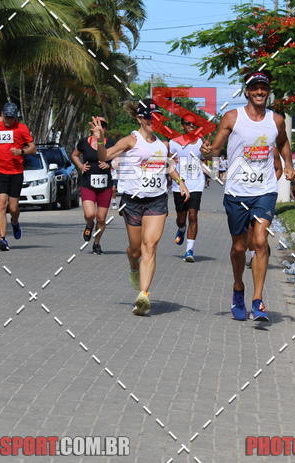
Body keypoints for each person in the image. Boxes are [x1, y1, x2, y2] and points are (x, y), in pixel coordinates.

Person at [202, 70, 295, 324]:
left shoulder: (276, 120)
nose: (259, 92)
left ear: (268, 91)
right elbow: (216, 148)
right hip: (236, 191)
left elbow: (284, 142)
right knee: (239, 247)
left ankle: (258, 299)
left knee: (261, 240)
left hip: (264, 190)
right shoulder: (232, 117)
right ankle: (238, 288)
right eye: (255, 88)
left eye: (264, 87)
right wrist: (207, 150)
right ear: (247, 92)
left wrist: (288, 164)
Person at [91, 99, 190, 316]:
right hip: (132, 201)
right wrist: (100, 141)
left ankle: (143, 295)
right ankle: (133, 266)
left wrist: (181, 181)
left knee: (150, 245)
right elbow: (104, 156)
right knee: (135, 249)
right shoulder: (130, 141)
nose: (152, 121)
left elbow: (166, 165)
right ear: (139, 119)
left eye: (156, 117)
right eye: (148, 117)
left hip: (156, 200)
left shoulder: (161, 144)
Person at [0, 102, 36, 252]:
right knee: (1, 204)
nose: (8, 121)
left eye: (11, 118)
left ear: (15, 117)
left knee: (13, 208)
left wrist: (21, 152)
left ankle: (15, 221)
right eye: (6, 117)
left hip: (16, 172)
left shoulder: (22, 128)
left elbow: (33, 148)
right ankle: (2, 239)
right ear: (2, 115)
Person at [71, 118, 115, 254]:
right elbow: (74, 155)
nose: (100, 127)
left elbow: (119, 159)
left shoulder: (112, 143)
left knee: (101, 218)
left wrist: (110, 164)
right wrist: (80, 166)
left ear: (105, 129)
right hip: (88, 183)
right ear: (92, 128)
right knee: (90, 214)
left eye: (103, 125)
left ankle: (97, 243)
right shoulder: (84, 142)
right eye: (97, 125)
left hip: (105, 185)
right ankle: (89, 224)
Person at [169, 113, 205, 262]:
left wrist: (208, 154)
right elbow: (169, 163)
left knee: (193, 215)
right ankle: (181, 228)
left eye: (193, 124)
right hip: (179, 185)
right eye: (188, 124)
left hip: (196, 183)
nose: (191, 126)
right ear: (182, 126)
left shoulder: (201, 142)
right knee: (181, 218)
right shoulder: (174, 143)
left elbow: (208, 158)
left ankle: (189, 250)